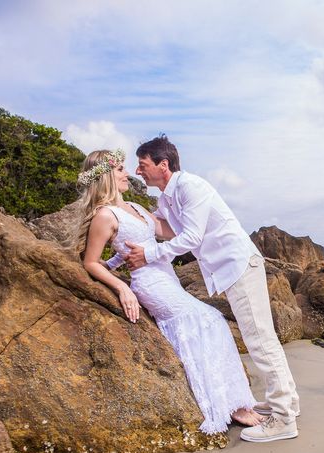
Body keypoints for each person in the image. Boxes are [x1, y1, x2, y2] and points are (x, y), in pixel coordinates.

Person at [124, 135, 300, 442]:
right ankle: (286, 404)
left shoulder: (191, 187)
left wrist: (149, 254)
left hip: (239, 266)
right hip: (230, 270)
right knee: (262, 338)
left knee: (260, 341)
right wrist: (135, 216)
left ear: (163, 164)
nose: (138, 171)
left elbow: (190, 237)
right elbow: (167, 229)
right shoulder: (166, 197)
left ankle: (283, 419)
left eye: (143, 165)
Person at [75, 148, 263, 435]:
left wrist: (199, 212)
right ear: (105, 178)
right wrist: (122, 287)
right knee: (210, 320)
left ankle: (234, 400)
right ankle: (227, 404)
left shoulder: (136, 209)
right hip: (150, 283)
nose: (127, 174)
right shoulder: (104, 215)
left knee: (212, 321)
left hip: (168, 278)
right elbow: (90, 262)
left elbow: (170, 233)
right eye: (120, 170)